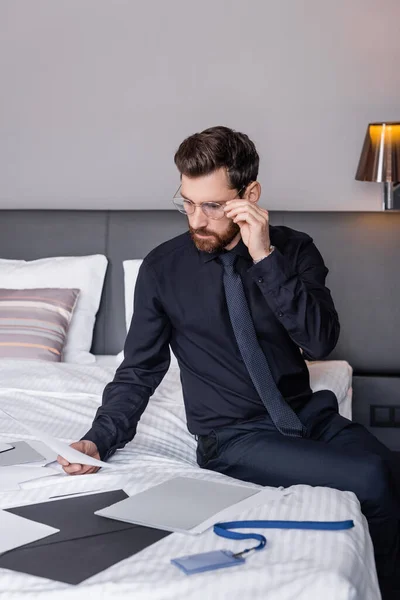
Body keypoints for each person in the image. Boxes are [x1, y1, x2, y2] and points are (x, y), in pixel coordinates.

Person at [58, 126, 399, 598]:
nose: (196, 219)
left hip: (309, 415)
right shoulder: (162, 269)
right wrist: (99, 438)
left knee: (393, 472)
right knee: (371, 477)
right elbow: (139, 370)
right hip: (234, 437)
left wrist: (264, 256)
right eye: (187, 203)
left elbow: (320, 342)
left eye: (212, 205)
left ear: (250, 196)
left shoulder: (294, 249)